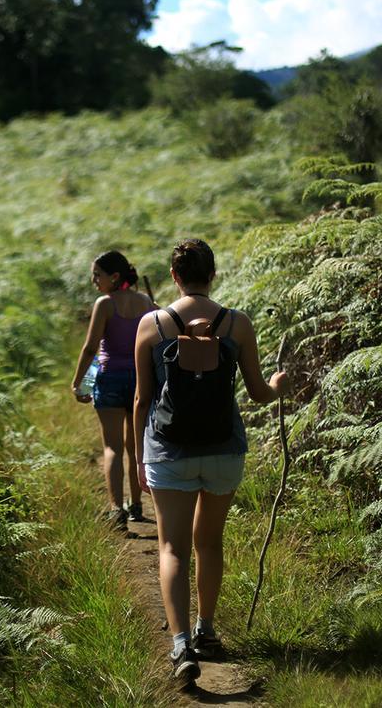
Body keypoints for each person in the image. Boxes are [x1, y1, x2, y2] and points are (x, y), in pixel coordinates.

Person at [133, 238, 288, 682]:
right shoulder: (237, 324)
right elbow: (259, 394)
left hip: (168, 451)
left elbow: (142, 399)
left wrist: (140, 457)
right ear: (213, 274)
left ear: (174, 276)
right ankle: (206, 629)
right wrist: (278, 383)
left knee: (172, 548)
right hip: (224, 450)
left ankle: (181, 645)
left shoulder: (152, 324)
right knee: (210, 543)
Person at [71, 250, 156, 530]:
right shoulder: (146, 302)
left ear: (114, 276)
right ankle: (136, 507)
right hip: (139, 380)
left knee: (112, 448)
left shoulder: (105, 304)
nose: (94, 280)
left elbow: (91, 347)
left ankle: (116, 509)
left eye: (98, 275)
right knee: (134, 448)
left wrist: (78, 382)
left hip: (108, 379)